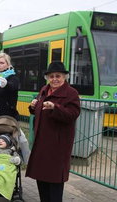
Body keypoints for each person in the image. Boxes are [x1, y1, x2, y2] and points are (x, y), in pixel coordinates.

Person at [26, 62, 81, 202]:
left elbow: (73, 114)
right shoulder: (44, 90)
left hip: (58, 146)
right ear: (47, 77)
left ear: (65, 77)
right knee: (41, 180)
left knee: (55, 182)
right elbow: (38, 110)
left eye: (58, 76)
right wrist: (33, 107)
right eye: (51, 76)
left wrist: (55, 108)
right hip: (41, 143)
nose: (54, 79)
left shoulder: (71, 93)